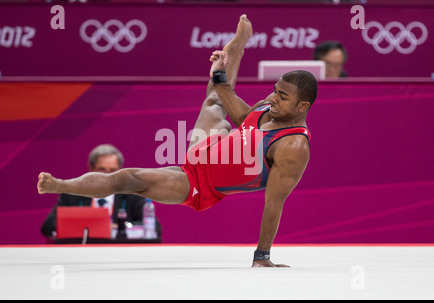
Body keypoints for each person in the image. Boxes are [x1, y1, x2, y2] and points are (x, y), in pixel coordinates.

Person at [37, 15, 317, 267]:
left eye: (282, 96)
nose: (274, 98)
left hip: (197, 183)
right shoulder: (271, 104)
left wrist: (262, 255)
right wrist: (220, 76)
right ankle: (237, 47)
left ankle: (59, 185)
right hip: (209, 144)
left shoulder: (293, 147)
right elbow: (245, 117)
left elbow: (274, 203)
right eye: (275, 91)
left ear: (303, 106)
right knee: (214, 98)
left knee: (129, 179)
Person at [40, 144, 162, 239]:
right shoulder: (72, 194)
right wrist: (91, 225)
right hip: (83, 251)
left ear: (121, 170)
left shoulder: (131, 194)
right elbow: (48, 226)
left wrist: (119, 227)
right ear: (90, 169)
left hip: (121, 254)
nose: (107, 176)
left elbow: (155, 227)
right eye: (102, 170)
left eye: (113, 170)